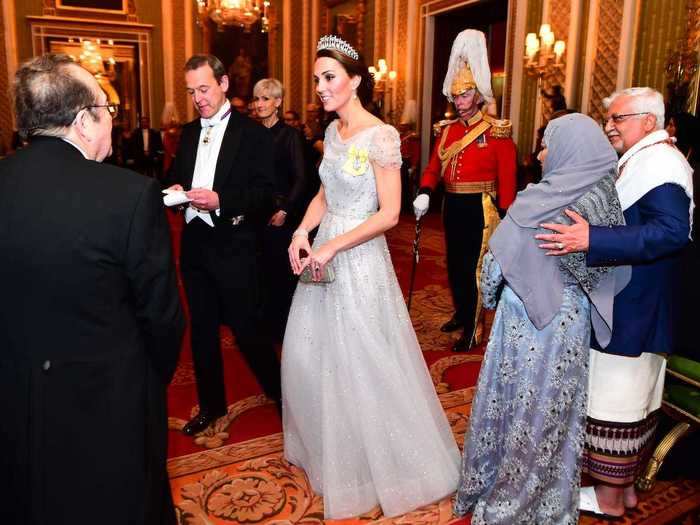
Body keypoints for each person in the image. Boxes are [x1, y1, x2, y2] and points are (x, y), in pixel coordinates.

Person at [282, 35, 461, 520]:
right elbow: (325, 193)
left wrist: (332, 245)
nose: (320, 87)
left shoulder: (380, 136)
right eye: (317, 79)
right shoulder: (334, 133)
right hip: (324, 250)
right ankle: (341, 455)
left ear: (356, 80)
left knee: (364, 359)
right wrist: (302, 230)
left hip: (358, 256)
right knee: (313, 355)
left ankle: (391, 464)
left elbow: (390, 213)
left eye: (329, 77)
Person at [0, 54, 184, 525]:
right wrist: (145, 380)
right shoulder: (129, 195)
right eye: (107, 109)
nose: (109, 120)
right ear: (83, 122)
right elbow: (162, 319)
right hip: (109, 409)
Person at [454, 113, 627, 524]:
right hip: (571, 324)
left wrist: (493, 291)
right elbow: (610, 262)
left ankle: (506, 497)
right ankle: (548, 500)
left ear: (568, 147)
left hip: (526, 325)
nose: (541, 153)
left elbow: (495, 265)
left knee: (516, 406)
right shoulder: (604, 194)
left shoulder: (542, 197)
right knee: (553, 412)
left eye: (547, 144)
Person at [535, 87, 694, 517]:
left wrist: (592, 238)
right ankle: (622, 492)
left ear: (648, 120)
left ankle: (607, 499)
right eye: (608, 119)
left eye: (617, 119)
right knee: (633, 397)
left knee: (616, 401)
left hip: (636, 305)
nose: (609, 126)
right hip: (633, 300)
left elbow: (671, 232)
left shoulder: (660, 163)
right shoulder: (646, 159)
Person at [166, 54, 281, 436]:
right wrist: (177, 191)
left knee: (249, 331)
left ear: (224, 83)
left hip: (235, 245)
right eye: (191, 91)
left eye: (204, 88)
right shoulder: (185, 133)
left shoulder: (253, 134)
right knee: (201, 331)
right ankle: (212, 406)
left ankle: (282, 395)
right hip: (195, 245)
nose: (198, 98)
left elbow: (266, 193)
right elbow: (173, 177)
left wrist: (221, 200)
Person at [413, 29, 517, 352]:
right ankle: (461, 312)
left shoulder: (496, 132)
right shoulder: (447, 131)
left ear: (478, 95)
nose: (459, 103)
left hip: (481, 208)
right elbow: (434, 166)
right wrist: (426, 191)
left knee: (475, 269)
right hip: (453, 206)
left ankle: (473, 329)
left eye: (465, 96)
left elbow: (508, 176)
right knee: (454, 264)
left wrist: (507, 213)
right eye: (455, 97)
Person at [253, 78, 310, 341]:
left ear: (278, 102)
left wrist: (285, 210)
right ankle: (263, 324)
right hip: (256, 213)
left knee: (281, 273)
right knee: (259, 271)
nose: (260, 104)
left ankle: (283, 330)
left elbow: (301, 177)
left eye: (266, 99)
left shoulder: (290, 135)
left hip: (282, 214)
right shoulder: (250, 134)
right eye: (257, 99)